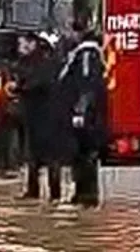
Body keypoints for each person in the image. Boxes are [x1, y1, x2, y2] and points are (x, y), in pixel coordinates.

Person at [15, 31, 72, 200]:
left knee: (50, 159)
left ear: (32, 44)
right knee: (33, 158)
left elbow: (39, 84)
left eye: (22, 44)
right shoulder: (27, 62)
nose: (19, 48)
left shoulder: (46, 62)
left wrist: (19, 88)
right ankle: (33, 192)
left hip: (49, 118)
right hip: (34, 117)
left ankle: (54, 195)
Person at [59, 19, 108, 206]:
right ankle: (82, 194)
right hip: (86, 114)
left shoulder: (87, 54)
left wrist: (80, 110)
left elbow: (87, 84)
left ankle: (87, 196)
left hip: (87, 116)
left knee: (85, 155)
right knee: (81, 155)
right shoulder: (83, 54)